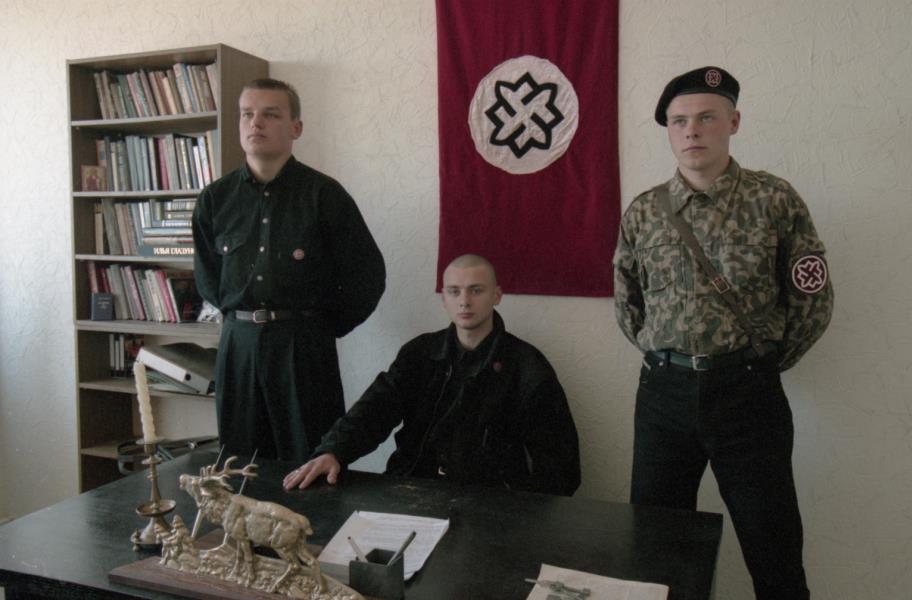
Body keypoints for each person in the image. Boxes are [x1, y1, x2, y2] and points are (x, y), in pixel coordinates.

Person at [613, 66, 833, 600]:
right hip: (664, 397)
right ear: (668, 131)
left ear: (733, 122)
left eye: (707, 118)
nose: (692, 130)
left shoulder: (774, 200)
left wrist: (761, 362)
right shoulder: (645, 211)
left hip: (747, 396)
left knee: (774, 552)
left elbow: (813, 298)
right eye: (679, 121)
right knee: (656, 551)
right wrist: (667, 356)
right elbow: (627, 302)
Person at [193, 78, 385, 462]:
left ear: (295, 127)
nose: (255, 123)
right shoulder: (215, 199)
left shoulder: (324, 195)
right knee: (239, 464)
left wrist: (320, 327)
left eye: (270, 114)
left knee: (310, 459)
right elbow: (208, 277)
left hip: (303, 349)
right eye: (247, 114)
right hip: (238, 347)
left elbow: (367, 277)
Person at [283, 254, 580, 496]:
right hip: (411, 488)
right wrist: (333, 451)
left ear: (497, 295)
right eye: (454, 291)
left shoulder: (527, 366)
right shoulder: (420, 353)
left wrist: (513, 512)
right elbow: (374, 409)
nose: (464, 301)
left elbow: (560, 469)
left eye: (476, 290)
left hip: (487, 506)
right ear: (443, 299)